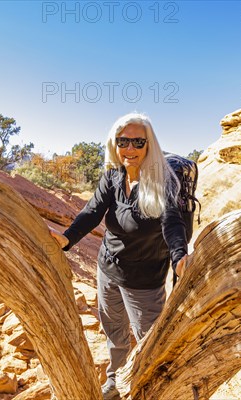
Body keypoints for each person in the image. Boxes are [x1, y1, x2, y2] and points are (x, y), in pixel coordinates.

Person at [49, 112, 190, 400]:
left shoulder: (163, 181)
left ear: (149, 145)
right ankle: (114, 381)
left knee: (149, 339)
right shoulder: (113, 176)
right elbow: (92, 212)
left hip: (144, 280)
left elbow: (172, 223)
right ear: (114, 143)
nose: (129, 149)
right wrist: (67, 239)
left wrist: (179, 257)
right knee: (114, 331)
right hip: (108, 269)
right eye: (123, 141)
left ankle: (152, 388)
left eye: (138, 142)